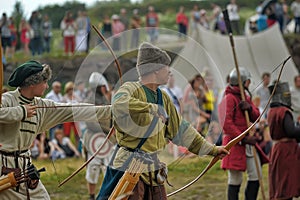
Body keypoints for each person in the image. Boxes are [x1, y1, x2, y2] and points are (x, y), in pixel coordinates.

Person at [97, 42, 229, 199]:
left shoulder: (163, 97)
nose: (170, 72)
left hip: (152, 169)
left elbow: (182, 130)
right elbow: (118, 104)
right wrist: (151, 108)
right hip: (128, 166)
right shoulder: (130, 89)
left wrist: (212, 149)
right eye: (167, 67)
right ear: (156, 70)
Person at [0, 60, 111, 199]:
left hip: (26, 169)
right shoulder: (7, 100)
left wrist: (111, 110)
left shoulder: (42, 105)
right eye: (44, 82)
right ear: (32, 83)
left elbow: (74, 110)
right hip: (4, 168)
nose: (47, 86)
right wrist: (21, 111)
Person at [218, 68, 262, 200]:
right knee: (235, 179)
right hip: (235, 144)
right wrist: (243, 139)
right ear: (242, 82)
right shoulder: (229, 98)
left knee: (256, 175)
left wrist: (249, 108)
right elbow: (227, 124)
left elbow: (256, 116)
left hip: (246, 143)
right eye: (247, 81)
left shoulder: (245, 97)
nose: (249, 84)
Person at [267, 81, 300, 200]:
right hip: (286, 152)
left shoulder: (271, 111)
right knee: (286, 186)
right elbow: (291, 131)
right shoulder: (282, 111)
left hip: (277, 150)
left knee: (281, 183)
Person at [84, 72, 113, 200]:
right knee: (93, 167)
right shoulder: (90, 101)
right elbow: (91, 124)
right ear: (100, 87)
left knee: (108, 167)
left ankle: (106, 194)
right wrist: (109, 131)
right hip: (94, 140)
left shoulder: (105, 99)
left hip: (106, 140)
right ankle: (91, 196)